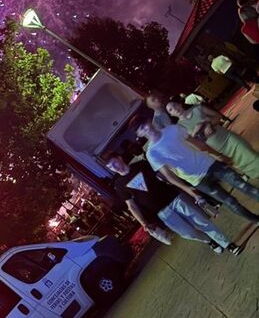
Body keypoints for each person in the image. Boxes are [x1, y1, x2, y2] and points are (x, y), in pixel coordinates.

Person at [103, 151, 239, 254]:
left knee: (202, 221)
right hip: (162, 212)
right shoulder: (119, 185)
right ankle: (208, 240)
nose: (115, 167)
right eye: (111, 167)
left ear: (120, 158)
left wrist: (186, 188)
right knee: (187, 233)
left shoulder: (141, 165)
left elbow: (165, 176)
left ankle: (227, 244)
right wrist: (143, 223)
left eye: (114, 163)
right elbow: (131, 206)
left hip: (175, 198)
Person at [135, 121, 259, 224]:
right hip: (197, 180)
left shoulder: (172, 129)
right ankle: (255, 220)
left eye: (144, 123)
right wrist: (188, 189)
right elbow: (168, 176)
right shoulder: (152, 153)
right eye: (141, 128)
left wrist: (217, 155)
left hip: (210, 164)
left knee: (244, 186)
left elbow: (198, 144)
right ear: (139, 134)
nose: (146, 127)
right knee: (230, 202)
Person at [166, 101, 259, 179]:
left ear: (179, 104)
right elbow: (194, 143)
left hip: (228, 138)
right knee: (244, 166)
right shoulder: (179, 127)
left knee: (252, 156)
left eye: (174, 105)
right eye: (171, 109)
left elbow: (217, 116)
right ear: (171, 114)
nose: (174, 108)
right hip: (217, 149)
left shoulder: (197, 108)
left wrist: (208, 124)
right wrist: (197, 130)